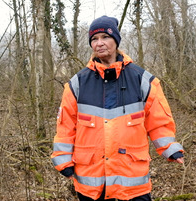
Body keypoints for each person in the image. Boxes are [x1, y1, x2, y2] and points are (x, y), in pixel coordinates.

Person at [51, 15, 184, 201]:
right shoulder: (77, 84)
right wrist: (63, 158)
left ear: (116, 40)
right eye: (94, 39)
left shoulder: (142, 80)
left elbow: (158, 120)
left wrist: (169, 147)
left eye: (105, 37)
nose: (100, 43)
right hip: (92, 181)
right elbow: (65, 127)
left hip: (131, 180)